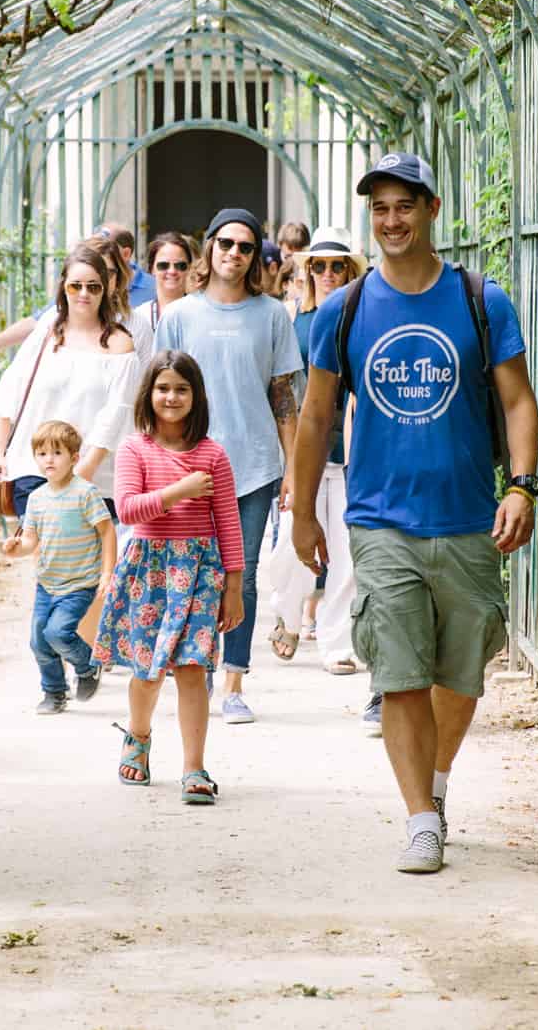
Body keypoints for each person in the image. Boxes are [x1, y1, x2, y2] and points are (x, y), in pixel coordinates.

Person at [290, 153, 538, 875]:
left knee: (460, 676)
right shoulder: (342, 310)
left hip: (467, 516)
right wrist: (304, 513)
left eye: (404, 205)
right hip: (380, 519)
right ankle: (421, 818)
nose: (391, 220)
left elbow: (519, 400)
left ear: (432, 209)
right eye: (380, 209)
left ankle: (434, 779)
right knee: (398, 673)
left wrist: (523, 485)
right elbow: (313, 419)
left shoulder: (478, 299)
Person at [156, 208, 302, 724]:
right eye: (226, 244)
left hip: (256, 463)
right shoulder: (179, 316)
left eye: (245, 247)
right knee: (196, 572)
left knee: (243, 574)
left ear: (254, 256)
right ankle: (201, 672)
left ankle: (234, 682)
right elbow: (160, 395)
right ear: (209, 247)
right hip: (189, 466)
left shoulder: (272, 316)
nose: (234, 254)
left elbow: (285, 397)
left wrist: (291, 469)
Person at [93, 352, 245, 805]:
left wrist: (233, 587)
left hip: (200, 571)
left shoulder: (213, 455)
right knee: (148, 669)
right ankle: (138, 737)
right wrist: (180, 490)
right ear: (148, 394)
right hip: (149, 571)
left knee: (193, 668)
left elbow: (229, 523)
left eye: (182, 388)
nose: (172, 397)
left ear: (196, 396)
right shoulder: (135, 449)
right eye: (163, 388)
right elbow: (127, 509)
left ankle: (194, 767)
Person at [263, 229, 366, 675]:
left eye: (337, 265)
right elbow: (281, 387)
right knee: (291, 543)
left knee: (344, 550)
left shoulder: (363, 318)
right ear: (307, 271)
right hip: (303, 451)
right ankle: (286, 614)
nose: (327, 273)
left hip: (349, 450)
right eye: (319, 265)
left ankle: (336, 641)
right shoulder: (294, 321)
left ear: (350, 271)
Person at [0, 244, 142, 522]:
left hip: (95, 479)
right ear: (63, 287)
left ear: (106, 289)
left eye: (93, 287)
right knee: (47, 560)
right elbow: (10, 391)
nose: (84, 294)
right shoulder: (46, 332)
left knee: (86, 564)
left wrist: (82, 473)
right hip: (34, 469)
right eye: (76, 286)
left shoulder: (121, 344)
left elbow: (117, 414)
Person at [3, 421, 115, 714]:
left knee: (57, 633)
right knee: (39, 641)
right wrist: (18, 549)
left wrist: (107, 572)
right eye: (42, 454)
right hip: (47, 583)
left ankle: (88, 666)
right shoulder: (36, 499)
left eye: (57, 452)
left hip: (80, 583)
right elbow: (30, 540)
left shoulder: (85, 493)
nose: (49, 459)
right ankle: (54, 691)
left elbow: (106, 531)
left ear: (74, 458)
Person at [0, 224, 152, 362]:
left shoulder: (139, 319)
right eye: (79, 282)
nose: (92, 284)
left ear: (119, 274)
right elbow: (34, 323)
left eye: (104, 274)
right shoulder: (54, 320)